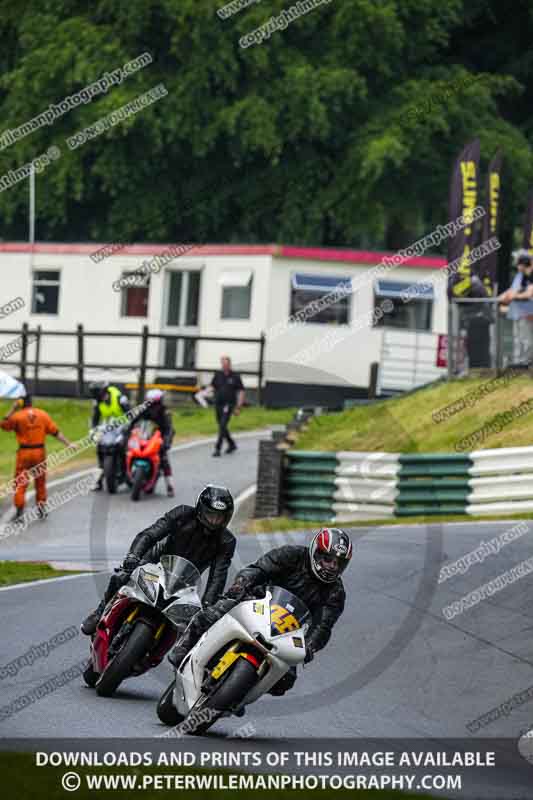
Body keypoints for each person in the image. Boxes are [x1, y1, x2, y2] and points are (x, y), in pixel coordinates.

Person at [168, 527, 352, 698]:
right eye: (327, 559)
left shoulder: (335, 593)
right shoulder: (292, 555)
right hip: (256, 602)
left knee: (285, 680)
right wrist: (241, 584)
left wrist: (310, 646)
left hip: (287, 631)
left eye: (338, 563)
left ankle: (240, 693)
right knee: (213, 613)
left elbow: (323, 626)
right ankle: (184, 647)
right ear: (315, 552)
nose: (331, 567)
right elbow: (259, 568)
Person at [81, 484, 236, 635]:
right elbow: (150, 534)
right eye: (211, 514)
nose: (214, 520)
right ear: (201, 509)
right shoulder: (182, 513)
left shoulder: (226, 541)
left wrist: (208, 605)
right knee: (121, 576)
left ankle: (172, 650)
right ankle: (100, 611)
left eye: (219, 517)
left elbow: (218, 576)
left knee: (189, 622)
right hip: (156, 562)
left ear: (226, 518)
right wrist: (134, 556)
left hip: (187, 581)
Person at [0, 394, 71, 522]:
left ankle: (20, 511)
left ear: (20, 402)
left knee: (20, 482)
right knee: (40, 481)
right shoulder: (42, 415)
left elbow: (4, 425)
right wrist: (69, 444)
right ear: (31, 402)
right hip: (39, 452)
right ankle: (41, 509)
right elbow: (55, 432)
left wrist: (12, 409)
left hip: (24, 453)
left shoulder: (17, 416)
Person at [125, 388, 175, 497]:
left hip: (158, 439)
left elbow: (169, 429)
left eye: (155, 403)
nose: (153, 406)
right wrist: (127, 431)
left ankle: (170, 486)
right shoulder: (143, 409)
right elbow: (133, 421)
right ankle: (124, 476)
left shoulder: (165, 412)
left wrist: (166, 442)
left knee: (164, 459)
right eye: (150, 402)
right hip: (144, 436)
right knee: (126, 451)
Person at [89, 381, 130, 491]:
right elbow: (95, 418)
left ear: (103, 392)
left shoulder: (120, 398)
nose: (97, 398)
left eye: (98, 395)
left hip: (124, 426)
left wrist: (127, 427)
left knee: (124, 448)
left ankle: (128, 473)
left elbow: (131, 413)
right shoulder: (98, 402)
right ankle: (98, 481)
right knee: (100, 448)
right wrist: (93, 430)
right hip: (109, 427)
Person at [211, 356, 245, 458]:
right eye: (223, 364)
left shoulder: (235, 376)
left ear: (229, 364)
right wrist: (203, 393)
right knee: (221, 426)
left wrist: (239, 407)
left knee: (222, 425)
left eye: (226, 364)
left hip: (229, 404)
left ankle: (217, 448)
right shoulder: (218, 375)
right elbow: (212, 386)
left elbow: (241, 391)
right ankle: (232, 444)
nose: (224, 366)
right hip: (218, 404)